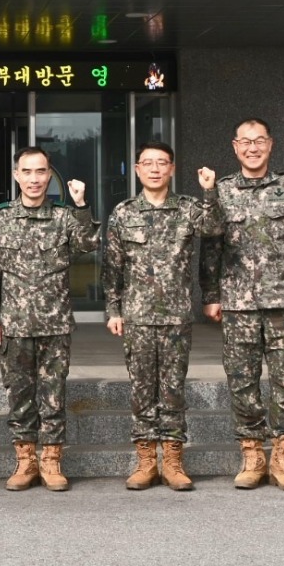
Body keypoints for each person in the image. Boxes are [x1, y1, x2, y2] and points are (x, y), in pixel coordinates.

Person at [200, 118, 284, 492]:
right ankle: (252, 455)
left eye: (259, 141)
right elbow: (210, 244)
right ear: (235, 146)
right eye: (246, 142)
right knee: (242, 380)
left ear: (271, 145)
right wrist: (210, 295)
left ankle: (283, 456)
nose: (253, 148)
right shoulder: (222, 190)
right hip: (238, 303)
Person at [104, 142, 221, 492]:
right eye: (148, 163)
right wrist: (113, 309)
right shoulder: (124, 212)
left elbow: (214, 229)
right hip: (137, 318)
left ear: (172, 168)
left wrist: (209, 192)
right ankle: (145, 461)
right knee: (142, 390)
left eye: (162, 163)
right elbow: (112, 266)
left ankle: (172, 461)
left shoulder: (188, 207)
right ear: (137, 169)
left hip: (175, 318)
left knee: (172, 390)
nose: (155, 169)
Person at [0, 147, 99, 492]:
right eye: (27, 172)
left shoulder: (64, 216)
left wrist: (81, 205)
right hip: (14, 324)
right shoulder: (0, 218)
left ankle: (50, 460)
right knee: (19, 393)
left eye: (40, 172)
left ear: (50, 176)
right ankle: (25, 460)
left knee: (53, 394)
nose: (34, 179)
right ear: (16, 175)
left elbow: (88, 245)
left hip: (54, 324)